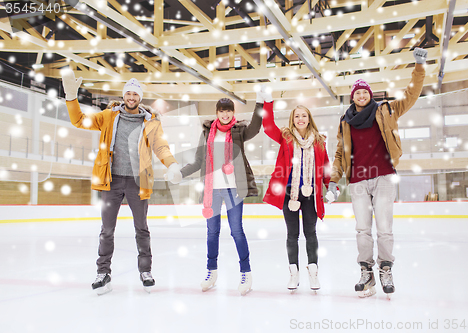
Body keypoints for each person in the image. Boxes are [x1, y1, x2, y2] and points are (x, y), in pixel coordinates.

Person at [61, 69, 182, 295]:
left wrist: (172, 164)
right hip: (111, 181)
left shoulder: (151, 122)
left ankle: (146, 271)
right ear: (124, 95)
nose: (131, 98)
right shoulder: (108, 116)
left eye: (135, 94)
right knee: (107, 230)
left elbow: (161, 147)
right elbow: (79, 120)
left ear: (140, 97)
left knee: (142, 229)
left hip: (137, 182)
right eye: (128, 93)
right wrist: (71, 97)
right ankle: (103, 273)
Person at [329, 48, 428, 299]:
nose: (361, 95)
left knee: (384, 229)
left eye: (364, 91)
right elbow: (340, 153)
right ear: (352, 97)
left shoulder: (385, 110)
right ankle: (366, 272)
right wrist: (333, 181)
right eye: (357, 92)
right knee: (362, 229)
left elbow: (411, 95)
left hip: (383, 176)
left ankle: (386, 269)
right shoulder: (345, 121)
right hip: (358, 181)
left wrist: (418, 67)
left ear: (369, 94)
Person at [168, 97, 262, 296]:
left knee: (237, 231)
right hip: (212, 190)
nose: (225, 114)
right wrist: (180, 173)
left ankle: (246, 273)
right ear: (217, 112)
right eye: (222, 111)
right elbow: (198, 161)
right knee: (212, 233)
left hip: (233, 189)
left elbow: (254, 128)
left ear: (232, 113)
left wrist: (260, 104)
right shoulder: (207, 133)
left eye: (229, 111)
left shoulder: (238, 131)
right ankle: (211, 272)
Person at [260, 89, 333, 291]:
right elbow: (267, 127)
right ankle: (294, 274)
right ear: (293, 119)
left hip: (311, 195)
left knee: (311, 234)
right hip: (290, 194)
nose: (300, 119)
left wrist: (331, 185)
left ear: (309, 119)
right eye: (297, 116)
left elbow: (326, 166)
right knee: (292, 235)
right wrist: (268, 102)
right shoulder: (286, 137)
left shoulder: (319, 141)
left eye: (304, 115)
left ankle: (313, 273)